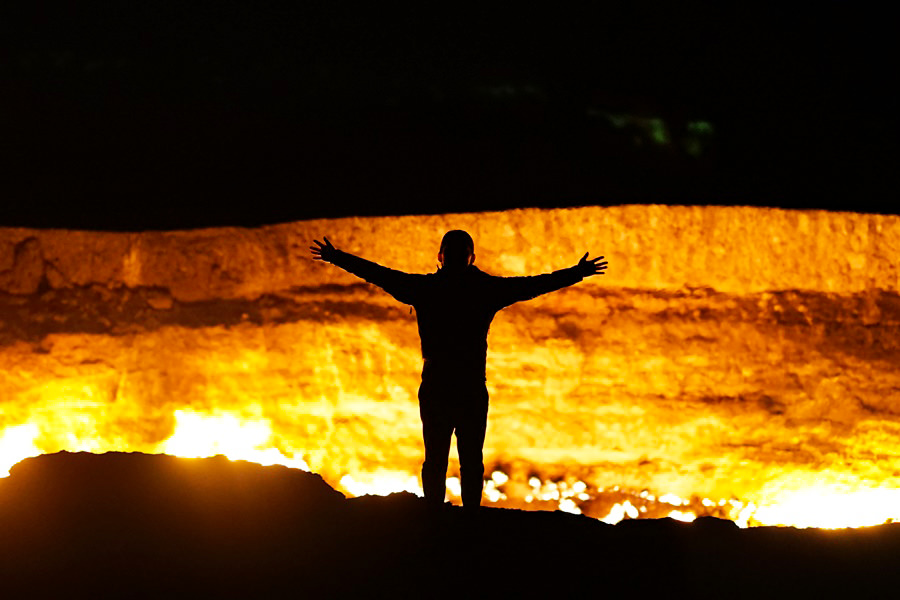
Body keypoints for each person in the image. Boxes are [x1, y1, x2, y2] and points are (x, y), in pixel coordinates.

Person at [311, 230, 607, 510]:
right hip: (468, 387)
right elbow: (532, 285)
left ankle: (435, 516)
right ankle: (468, 519)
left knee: (437, 459)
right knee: (469, 459)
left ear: (440, 256)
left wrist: (337, 257)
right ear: (470, 258)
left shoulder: (427, 289)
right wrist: (576, 273)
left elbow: (379, 274)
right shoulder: (484, 290)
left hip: (439, 384)